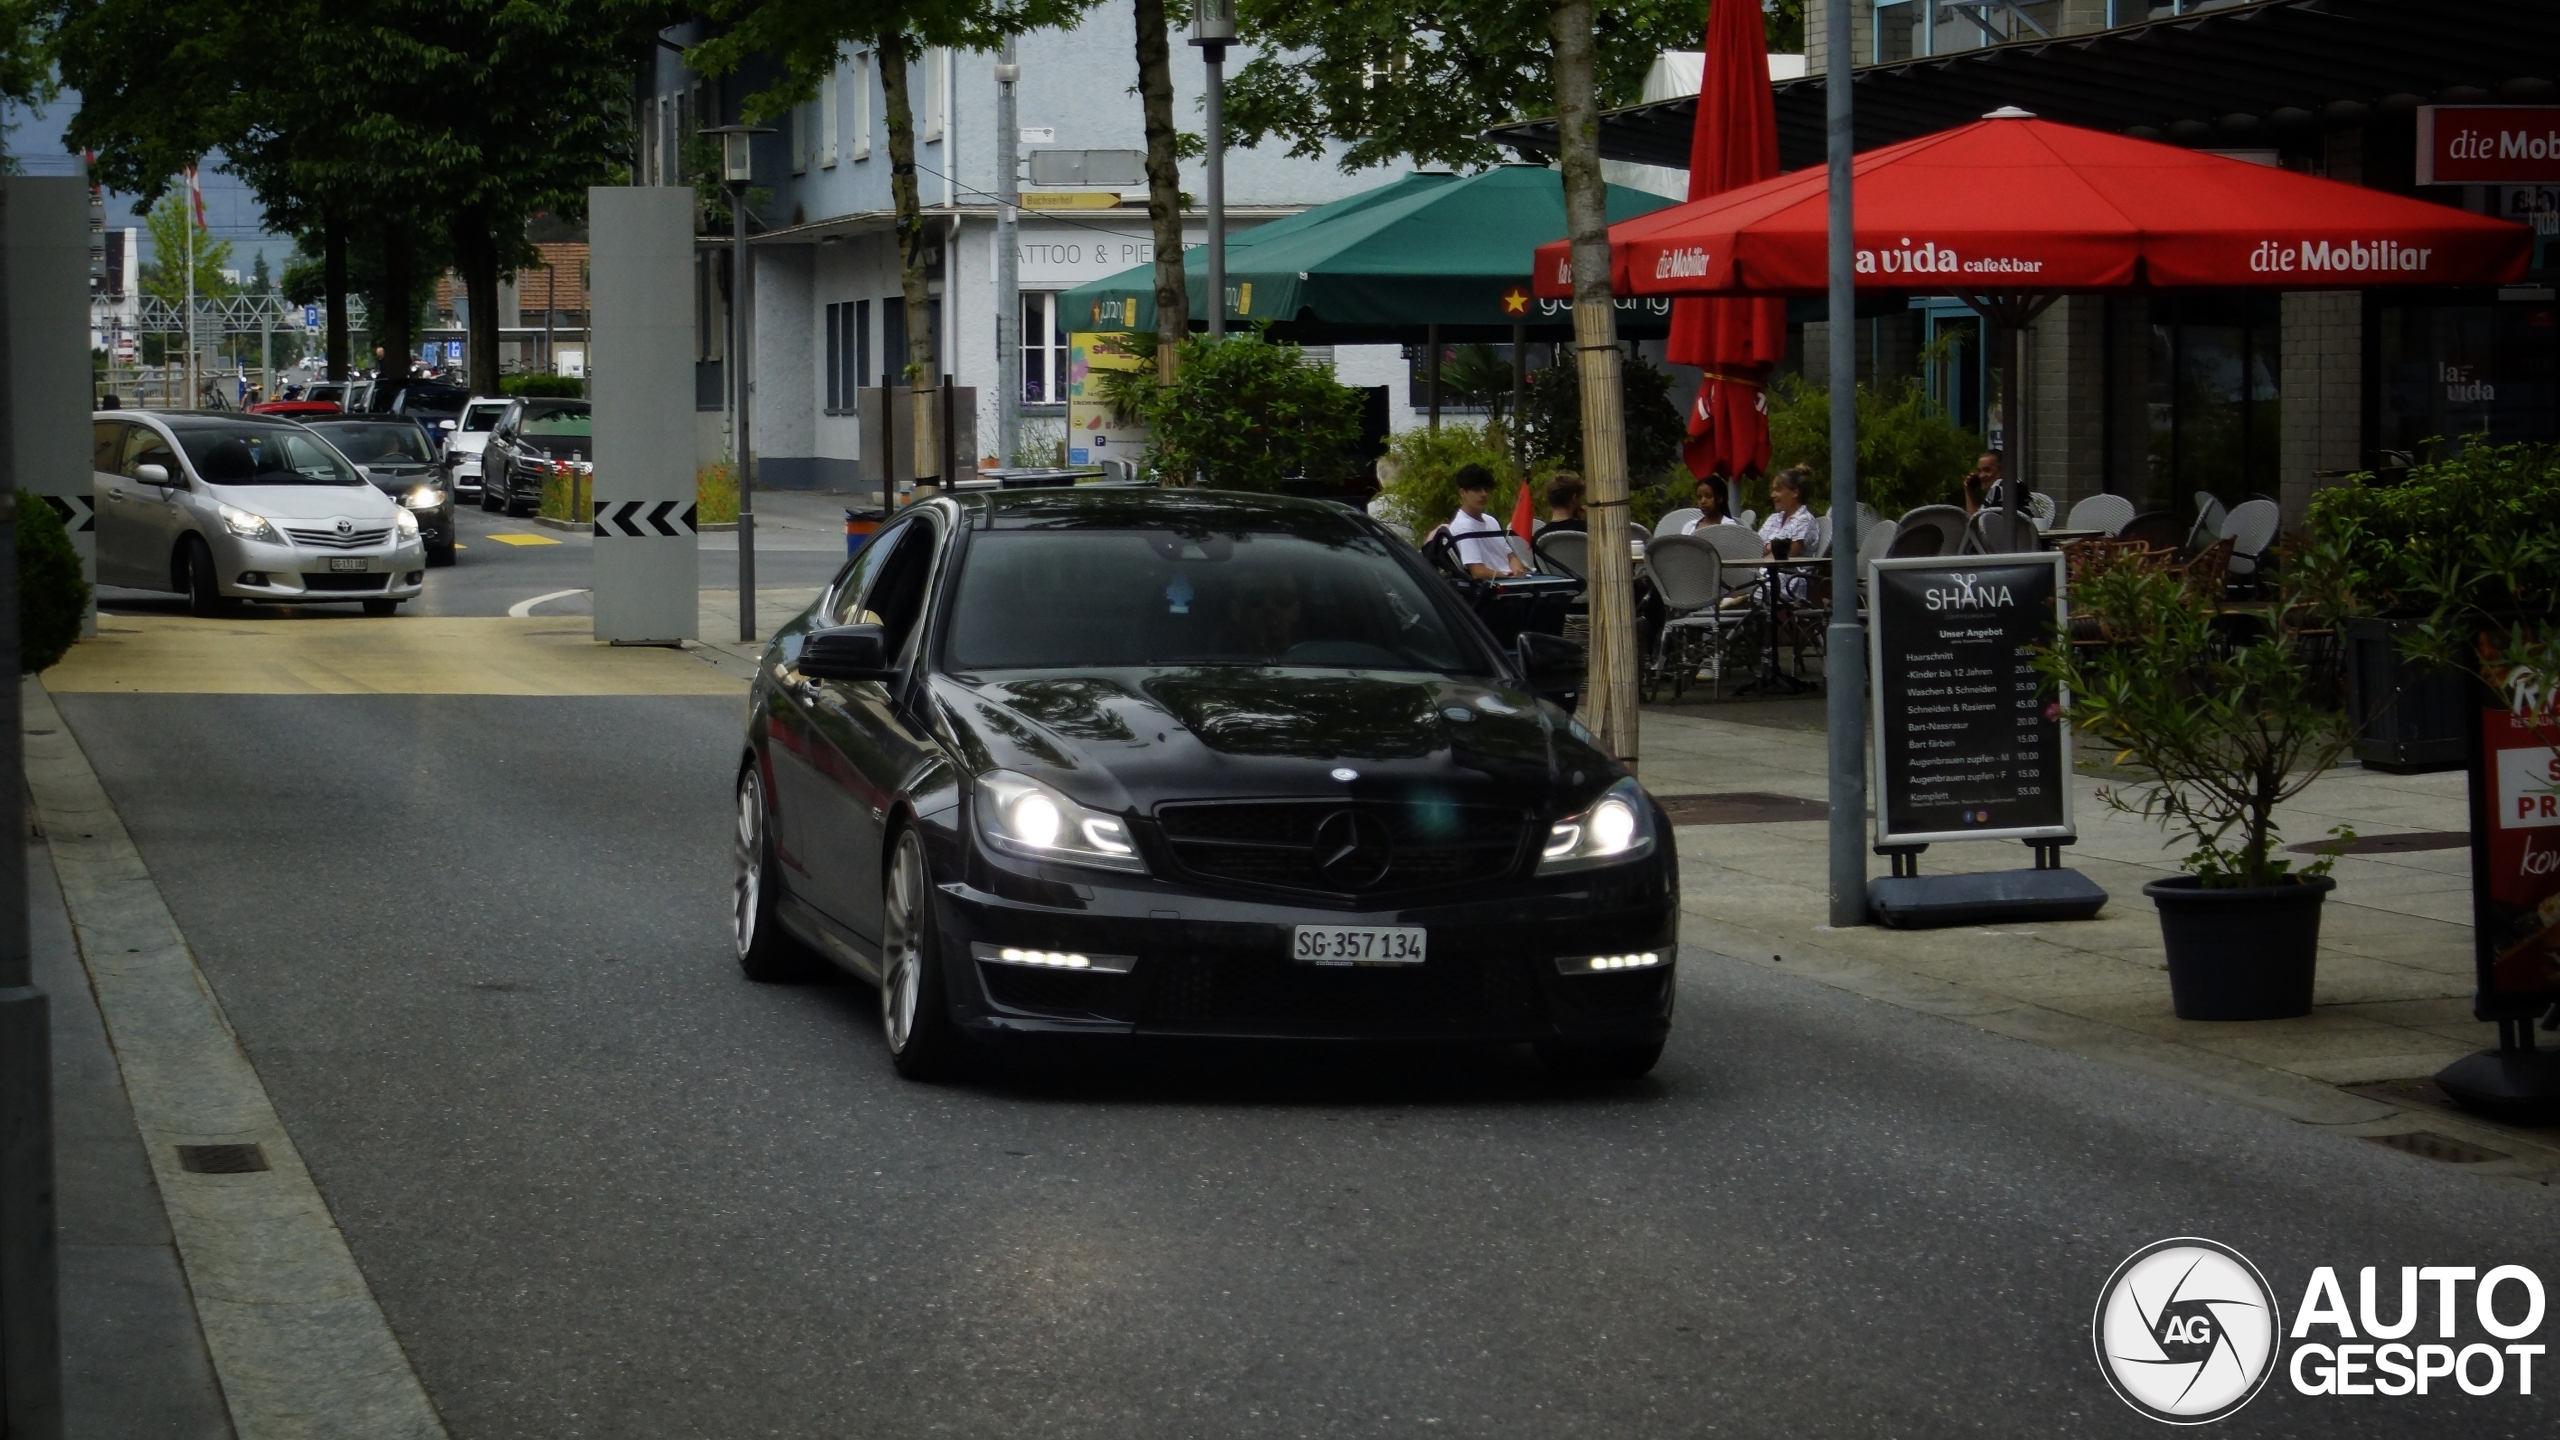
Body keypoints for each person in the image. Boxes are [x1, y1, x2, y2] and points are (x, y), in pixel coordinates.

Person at [1447, 465, 1524, 579]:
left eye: (1487, 490)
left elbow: (1510, 556)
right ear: (1462, 492)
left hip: (1510, 580)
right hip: (1495, 586)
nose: (1484, 494)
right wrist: (1507, 577)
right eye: (1477, 490)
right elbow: (1478, 572)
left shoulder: (1491, 520)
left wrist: (1517, 569)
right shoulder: (1463, 526)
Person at [1760, 466, 1821, 598]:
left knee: (1753, 587)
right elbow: (1756, 546)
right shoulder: (1774, 518)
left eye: (1778, 490)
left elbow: (1785, 556)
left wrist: (1768, 549)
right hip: (1764, 572)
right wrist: (1768, 549)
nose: (1773, 495)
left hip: (1788, 578)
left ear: (1795, 493)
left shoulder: (1805, 520)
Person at [1226, 568, 1303, 659]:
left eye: (1282, 597)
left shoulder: (1318, 655)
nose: (1269, 606)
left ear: (1296, 611)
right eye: (1256, 597)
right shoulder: (1215, 660)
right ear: (1235, 610)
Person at [1960, 450, 2006, 515]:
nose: (1981, 476)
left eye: (1987, 470)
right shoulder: (2011, 484)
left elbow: (1975, 522)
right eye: (1979, 471)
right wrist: (1969, 490)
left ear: (2002, 470)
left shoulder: (1999, 487)